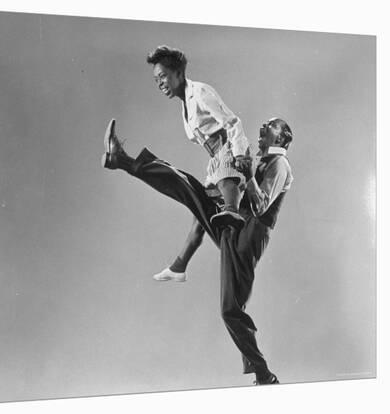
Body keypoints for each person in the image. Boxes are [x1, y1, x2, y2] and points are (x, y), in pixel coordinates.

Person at [101, 116, 294, 385]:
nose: (262, 127)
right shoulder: (259, 160)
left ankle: (264, 374)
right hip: (232, 224)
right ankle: (124, 161)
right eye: (264, 124)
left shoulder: (280, 163)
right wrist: (216, 193)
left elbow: (260, 207)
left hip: (248, 236)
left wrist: (247, 175)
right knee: (190, 189)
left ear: (282, 138)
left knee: (230, 309)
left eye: (271, 126)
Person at [145, 45, 251, 283]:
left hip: (229, 149)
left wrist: (240, 153)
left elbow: (232, 122)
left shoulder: (200, 92)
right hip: (214, 158)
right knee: (199, 215)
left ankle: (232, 214)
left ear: (178, 74)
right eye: (156, 80)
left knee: (225, 178)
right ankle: (178, 267)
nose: (160, 83)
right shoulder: (184, 103)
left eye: (163, 76)